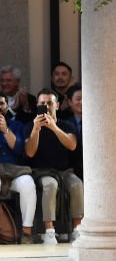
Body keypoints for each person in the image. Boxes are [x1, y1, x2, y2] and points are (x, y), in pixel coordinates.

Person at [26, 89, 82, 244]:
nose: (46, 106)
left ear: (57, 105)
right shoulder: (31, 126)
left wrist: (54, 127)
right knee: (50, 185)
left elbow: (72, 145)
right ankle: (49, 231)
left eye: (49, 103)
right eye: (42, 103)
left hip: (65, 171)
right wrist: (36, 129)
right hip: (43, 172)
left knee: (77, 184)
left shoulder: (67, 124)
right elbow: (30, 152)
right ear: (37, 106)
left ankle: (77, 229)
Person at [0, 97, 38, 243]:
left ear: (6, 106)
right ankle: (6, 232)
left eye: (1, 103)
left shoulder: (17, 125)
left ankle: (26, 233)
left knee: (28, 183)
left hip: (14, 171)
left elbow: (19, 149)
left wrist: (5, 130)